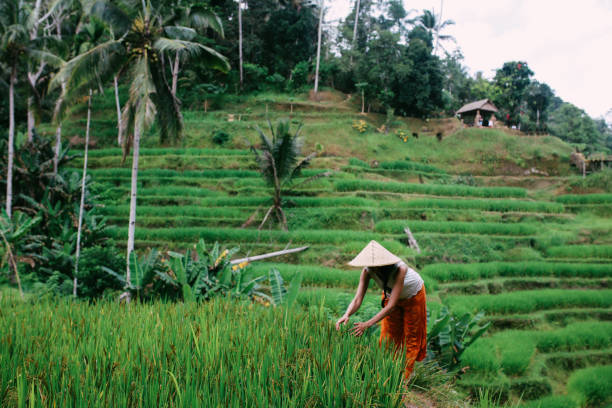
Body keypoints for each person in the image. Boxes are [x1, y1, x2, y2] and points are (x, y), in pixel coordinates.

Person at [335, 240, 427, 379]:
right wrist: (346, 314)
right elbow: (358, 298)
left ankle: (404, 379)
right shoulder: (367, 271)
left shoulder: (400, 269)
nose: (375, 269)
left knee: (411, 337)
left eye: (378, 266)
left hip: (413, 296)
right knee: (388, 337)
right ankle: (385, 374)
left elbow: (391, 306)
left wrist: (367, 324)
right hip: (391, 296)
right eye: (372, 266)